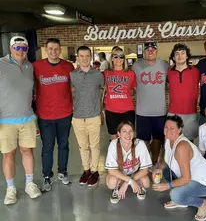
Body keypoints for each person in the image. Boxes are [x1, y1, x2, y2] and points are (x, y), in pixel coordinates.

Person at [0, 36, 41, 205]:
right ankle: (11, 188)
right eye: (17, 48)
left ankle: (29, 184)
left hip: (27, 118)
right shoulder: (1, 64)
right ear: (11, 48)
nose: (21, 51)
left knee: (27, 151)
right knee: (8, 154)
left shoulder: (29, 66)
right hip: (6, 120)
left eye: (24, 48)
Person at [153, 115, 206, 221]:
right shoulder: (169, 139)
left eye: (172, 128)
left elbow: (186, 178)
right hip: (190, 177)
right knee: (165, 170)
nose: (168, 130)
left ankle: (203, 204)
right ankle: (183, 200)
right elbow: (167, 157)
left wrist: (167, 185)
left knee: (175, 195)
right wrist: (159, 168)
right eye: (166, 127)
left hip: (205, 183)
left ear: (179, 129)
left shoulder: (182, 146)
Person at [33, 38, 74, 192]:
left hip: (65, 113)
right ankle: (47, 176)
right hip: (45, 115)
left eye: (56, 48)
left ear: (60, 50)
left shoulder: (68, 66)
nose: (53, 51)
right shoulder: (36, 66)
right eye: (50, 48)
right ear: (46, 49)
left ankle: (63, 172)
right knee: (47, 147)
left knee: (64, 144)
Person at [70, 46, 104, 186]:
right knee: (82, 146)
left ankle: (95, 171)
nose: (84, 59)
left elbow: (103, 91)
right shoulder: (72, 75)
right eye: (81, 56)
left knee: (94, 146)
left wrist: (100, 109)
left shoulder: (98, 75)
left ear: (91, 57)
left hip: (93, 116)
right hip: (77, 116)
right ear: (77, 58)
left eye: (87, 56)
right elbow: (71, 91)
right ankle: (86, 170)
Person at [132, 42, 169, 164]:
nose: (151, 51)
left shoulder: (164, 65)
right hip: (142, 111)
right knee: (143, 140)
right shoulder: (136, 66)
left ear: (157, 51)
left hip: (160, 110)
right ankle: (144, 163)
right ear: (144, 52)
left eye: (153, 49)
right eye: (148, 50)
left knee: (158, 138)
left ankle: (153, 162)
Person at [105, 121, 152, 204]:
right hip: (120, 173)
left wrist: (127, 183)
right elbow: (111, 170)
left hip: (134, 173)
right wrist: (130, 181)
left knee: (146, 183)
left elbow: (145, 170)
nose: (128, 134)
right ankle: (116, 188)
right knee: (111, 183)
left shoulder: (140, 144)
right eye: (124, 131)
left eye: (130, 131)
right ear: (119, 134)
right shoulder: (113, 144)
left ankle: (138, 185)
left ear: (133, 133)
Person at [167, 43, 200, 140]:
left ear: (187, 56)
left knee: (189, 141)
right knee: (173, 140)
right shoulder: (169, 71)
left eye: (182, 53)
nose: (180, 56)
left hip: (191, 113)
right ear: (173, 57)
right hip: (173, 112)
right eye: (177, 53)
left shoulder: (196, 70)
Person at [104, 46, 136, 140]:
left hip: (127, 110)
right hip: (111, 110)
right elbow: (103, 88)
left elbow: (133, 91)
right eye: (115, 56)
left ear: (124, 59)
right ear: (112, 58)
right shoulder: (106, 73)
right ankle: (118, 155)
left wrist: (129, 91)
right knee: (114, 137)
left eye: (121, 56)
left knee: (128, 137)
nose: (118, 59)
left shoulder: (130, 73)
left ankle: (128, 155)